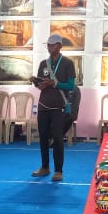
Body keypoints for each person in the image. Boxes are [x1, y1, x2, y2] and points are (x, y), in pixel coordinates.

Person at [32, 34, 76, 182]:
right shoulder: (43, 63)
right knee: (43, 137)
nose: (50, 47)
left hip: (59, 106)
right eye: (48, 45)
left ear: (60, 46)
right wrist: (37, 83)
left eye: (53, 44)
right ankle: (45, 167)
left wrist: (54, 83)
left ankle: (58, 170)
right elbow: (41, 85)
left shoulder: (68, 63)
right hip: (43, 105)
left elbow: (71, 86)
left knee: (57, 138)